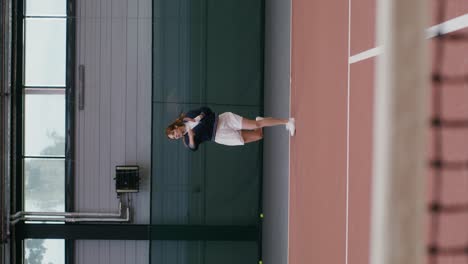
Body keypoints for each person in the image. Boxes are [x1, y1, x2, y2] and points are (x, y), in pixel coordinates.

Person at [166, 106, 295, 151]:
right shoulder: (187, 141)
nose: (176, 136)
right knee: (258, 135)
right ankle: (260, 120)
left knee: (256, 126)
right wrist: (192, 138)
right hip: (221, 136)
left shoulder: (188, 116)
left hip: (224, 120)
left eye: (174, 133)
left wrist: (200, 116)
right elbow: (193, 148)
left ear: (175, 127)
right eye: (174, 138)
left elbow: (207, 110)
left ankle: (287, 121)